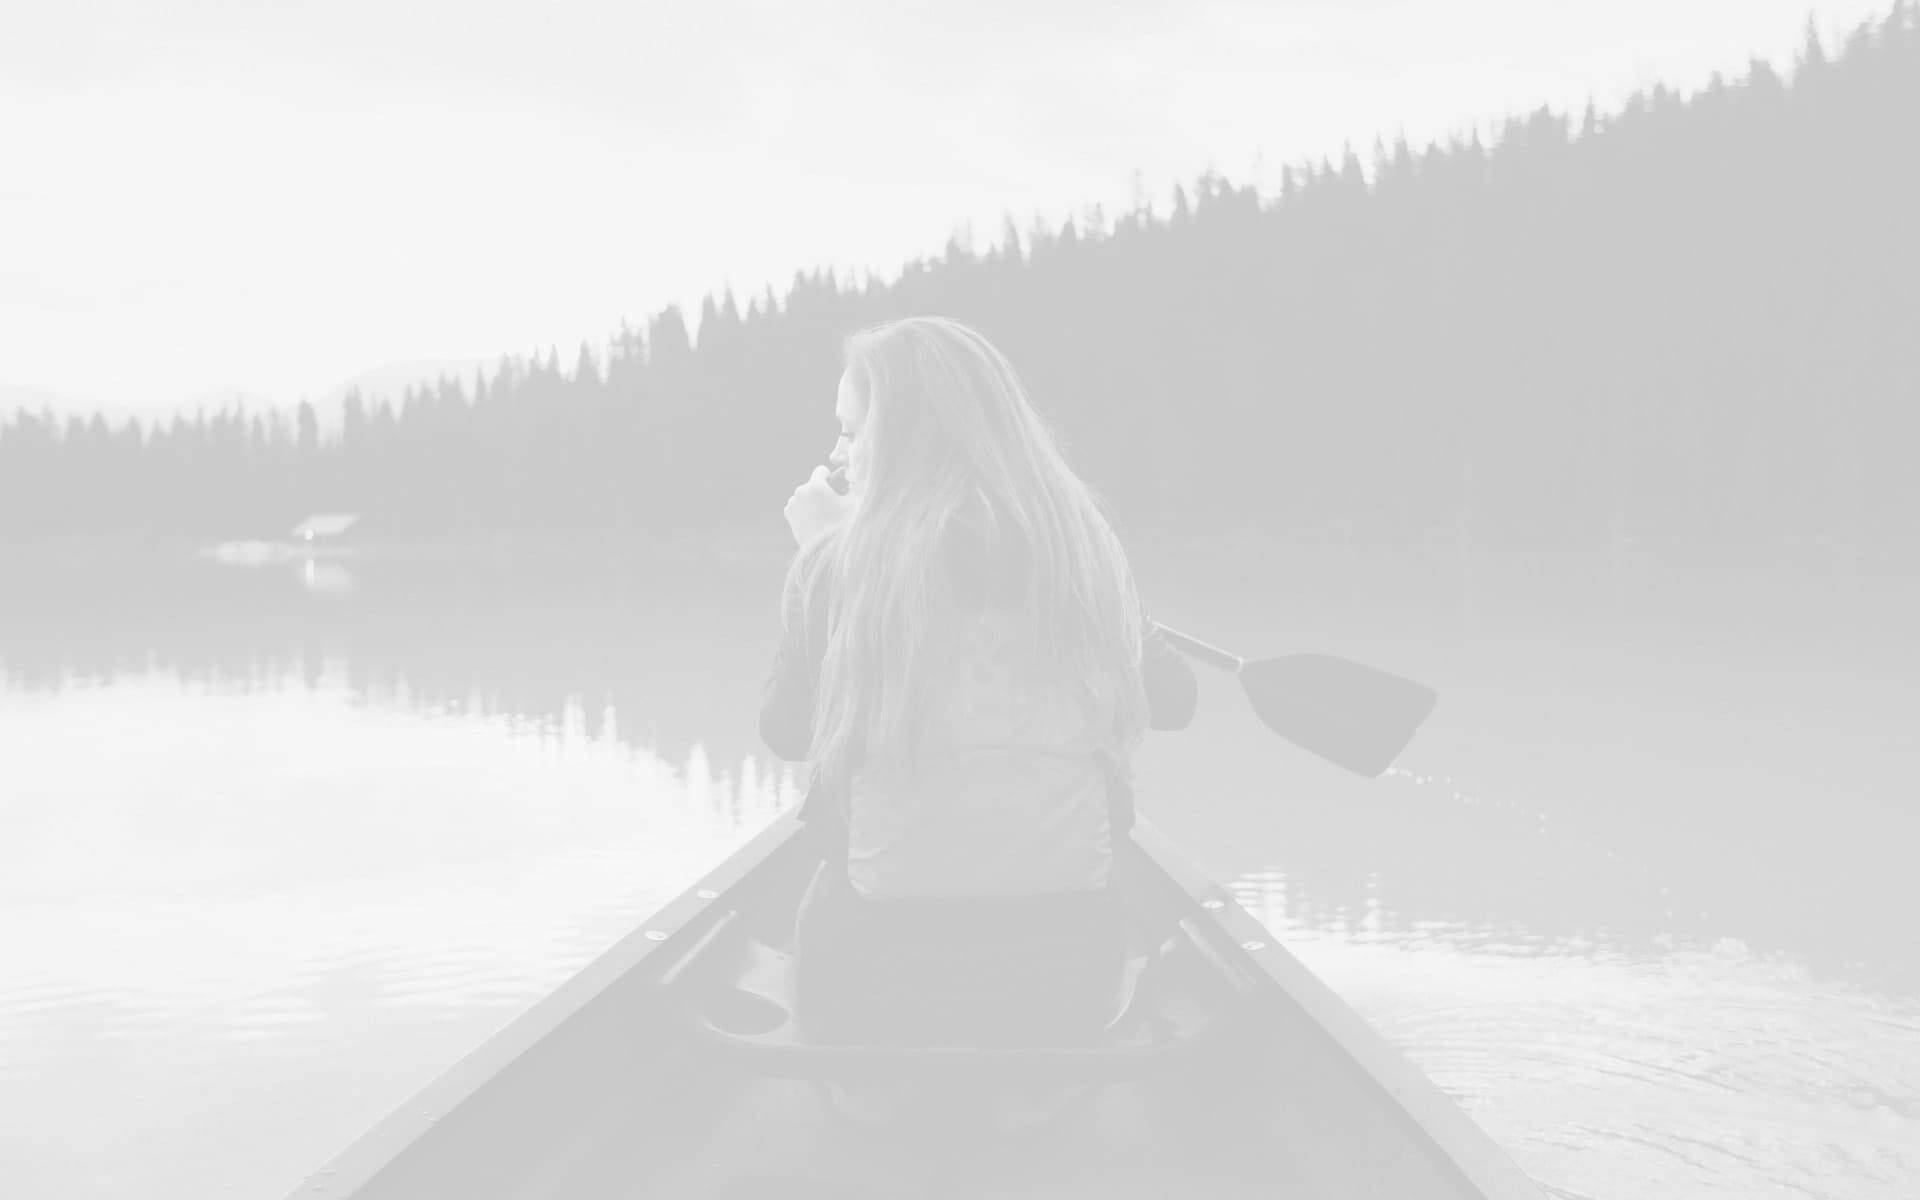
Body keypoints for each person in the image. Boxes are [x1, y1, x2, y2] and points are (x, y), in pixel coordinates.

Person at [759, 315, 1198, 1048]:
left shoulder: (838, 566)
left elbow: (786, 730)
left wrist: (824, 554)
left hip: (877, 970)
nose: (837, 456)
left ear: (900, 439)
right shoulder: (1083, 552)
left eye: (850, 431)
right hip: (1069, 966)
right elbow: (1175, 700)